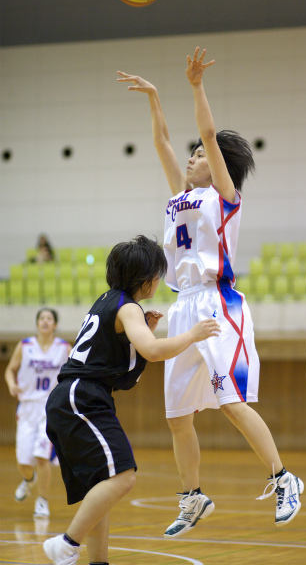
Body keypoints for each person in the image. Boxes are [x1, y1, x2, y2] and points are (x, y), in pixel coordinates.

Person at [116, 47, 304, 539]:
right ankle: (193, 497)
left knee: (231, 403)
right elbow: (161, 142)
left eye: (202, 154)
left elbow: (206, 136)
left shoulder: (225, 196)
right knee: (178, 416)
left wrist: (196, 87)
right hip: (183, 305)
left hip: (218, 304)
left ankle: (284, 479)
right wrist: (155, 96)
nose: (196, 157)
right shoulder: (181, 192)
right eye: (196, 155)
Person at [42, 235, 220, 565]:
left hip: (73, 397)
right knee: (124, 476)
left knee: (103, 485)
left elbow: (128, 376)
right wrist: (192, 334)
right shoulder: (128, 308)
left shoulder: (108, 301)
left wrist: (145, 333)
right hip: (82, 396)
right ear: (149, 277)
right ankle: (67, 544)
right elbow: (154, 352)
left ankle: (97, 561)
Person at [4, 308, 71, 520]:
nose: (45, 321)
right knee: (24, 461)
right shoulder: (25, 346)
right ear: (37, 323)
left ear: (54, 325)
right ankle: (28, 479)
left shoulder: (63, 347)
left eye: (49, 318)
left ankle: (42, 501)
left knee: (42, 457)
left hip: (50, 408)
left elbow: (76, 372)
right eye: (41, 318)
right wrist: (11, 384)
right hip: (27, 407)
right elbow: (9, 369)